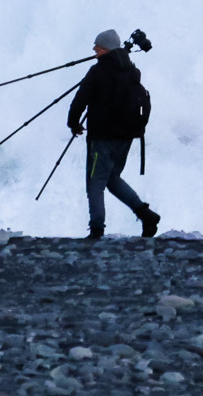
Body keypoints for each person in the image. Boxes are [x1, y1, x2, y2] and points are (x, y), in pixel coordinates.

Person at [67, 29, 160, 241]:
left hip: (102, 137)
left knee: (96, 183)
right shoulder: (131, 71)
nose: (94, 49)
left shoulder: (98, 72)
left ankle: (96, 230)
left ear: (106, 49)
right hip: (126, 136)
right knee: (112, 178)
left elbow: (80, 100)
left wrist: (73, 123)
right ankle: (146, 215)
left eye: (97, 47)